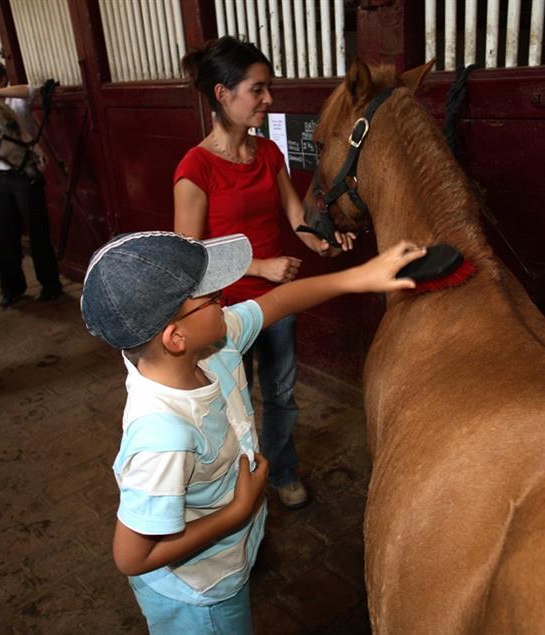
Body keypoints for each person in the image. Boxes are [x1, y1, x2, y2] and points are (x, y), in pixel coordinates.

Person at [80, 230, 423, 634]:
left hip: (225, 558)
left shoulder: (211, 346)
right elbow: (131, 557)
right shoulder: (163, 435)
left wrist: (359, 277)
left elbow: (276, 302)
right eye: (210, 298)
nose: (224, 297)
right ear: (176, 339)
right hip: (198, 592)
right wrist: (237, 512)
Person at [173, 36, 354, 510]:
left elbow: (298, 218)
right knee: (232, 404)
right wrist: (258, 265)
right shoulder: (195, 167)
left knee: (281, 395)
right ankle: (236, 487)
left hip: (276, 305)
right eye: (258, 89)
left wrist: (324, 240)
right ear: (222, 94)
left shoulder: (269, 153)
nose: (269, 99)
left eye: (268, 87)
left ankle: (282, 470)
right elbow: (187, 257)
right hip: (222, 311)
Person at [0, 58, 62, 308]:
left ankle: (50, 285)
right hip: (0, 175)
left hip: (25, 175)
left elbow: (31, 90)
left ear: (1, 79)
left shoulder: (15, 101)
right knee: (4, 236)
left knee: (37, 232)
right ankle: (12, 289)